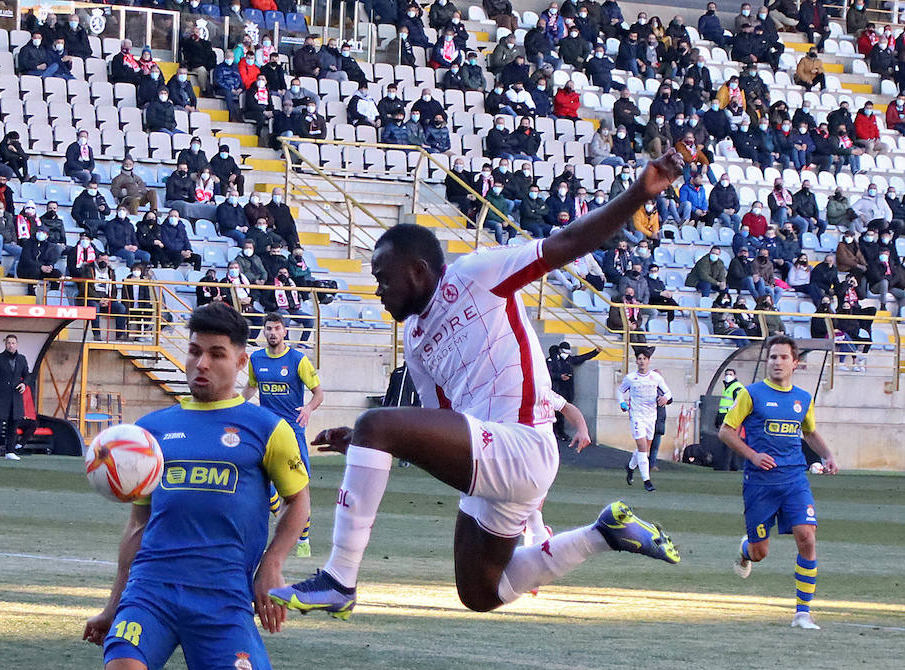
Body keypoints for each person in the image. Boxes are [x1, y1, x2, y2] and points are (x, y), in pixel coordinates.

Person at [269, 150, 687, 620]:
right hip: (493, 461)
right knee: (481, 592)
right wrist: (370, 446)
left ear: (418, 271)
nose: (378, 291)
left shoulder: (477, 273)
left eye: (383, 279)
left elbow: (567, 241)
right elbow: (442, 426)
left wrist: (637, 194)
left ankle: (339, 577)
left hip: (525, 444)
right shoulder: (415, 338)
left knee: (374, 423)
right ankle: (603, 533)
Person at [42, 304, 309, 670]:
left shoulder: (269, 429)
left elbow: (299, 503)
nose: (202, 364)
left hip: (223, 600)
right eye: (194, 351)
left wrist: (272, 565)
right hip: (154, 589)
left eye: (216, 354)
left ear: (242, 361)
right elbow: (137, 527)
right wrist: (113, 605)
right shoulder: (153, 433)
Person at [720, 335, 839, 629]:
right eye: (773, 357)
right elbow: (725, 431)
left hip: (794, 478)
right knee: (760, 552)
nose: (777, 362)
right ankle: (746, 550)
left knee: (807, 536)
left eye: (784, 357)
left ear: (795, 363)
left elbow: (809, 432)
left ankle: (802, 613)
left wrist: (827, 455)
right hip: (760, 482)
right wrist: (753, 454)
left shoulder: (802, 399)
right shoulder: (751, 394)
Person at [243, 312, 323, 558]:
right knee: (261, 481)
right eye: (268, 329)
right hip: (265, 430)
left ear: (285, 331)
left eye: (277, 328)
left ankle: (304, 541)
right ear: (264, 331)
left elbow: (318, 393)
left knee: (300, 487)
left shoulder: (298, 360)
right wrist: (235, 405)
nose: (272, 333)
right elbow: (251, 387)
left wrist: (308, 408)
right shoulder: (256, 359)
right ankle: (286, 526)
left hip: (292, 431)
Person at [617, 347, 671, 492]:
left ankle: (630, 467)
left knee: (644, 449)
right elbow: (620, 391)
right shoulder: (630, 378)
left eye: (644, 359)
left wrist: (665, 398)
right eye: (639, 359)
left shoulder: (655, 377)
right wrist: (622, 403)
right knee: (642, 448)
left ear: (648, 361)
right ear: (636, 361)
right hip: (637, 416)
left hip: (651, 417)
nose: (642, 362)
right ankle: (647, 481)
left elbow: (668, 392)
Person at [0, 334, 30, 460]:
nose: (11, 345)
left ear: (17, 344)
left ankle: (10, 451)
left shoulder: (22, 359)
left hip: (15, 397)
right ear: (5, 344)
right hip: (1, 396)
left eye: (13, 343)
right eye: (9, 343)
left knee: (13, 424)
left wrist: (24, 384)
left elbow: (27, 375)